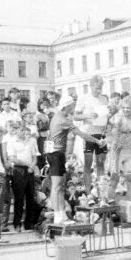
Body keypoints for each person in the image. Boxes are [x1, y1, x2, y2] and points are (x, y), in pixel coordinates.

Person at [46, 95, 104, 224]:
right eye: (73, 106)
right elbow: (81, 135)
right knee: (56, 186)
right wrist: (97, 141)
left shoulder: (58, 116)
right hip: (55, 154)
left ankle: (61, 214)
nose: (74, 108)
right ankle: (58, 215)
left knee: (60, 185)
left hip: (57, 153)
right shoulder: (63, 120)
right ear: (68, 106)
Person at [6, 126, 40, 232]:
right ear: (18, 131)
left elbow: (35, 156)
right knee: (19, 198)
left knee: (30, 197)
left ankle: (28, 223)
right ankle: (17, 223)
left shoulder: (31, 141)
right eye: (22, 131)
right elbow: (12, 158)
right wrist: (27, 164)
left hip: (29, 170)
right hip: (18, 170)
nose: (26, 135)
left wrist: (32, 166)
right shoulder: (12, 142)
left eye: (27, 133)